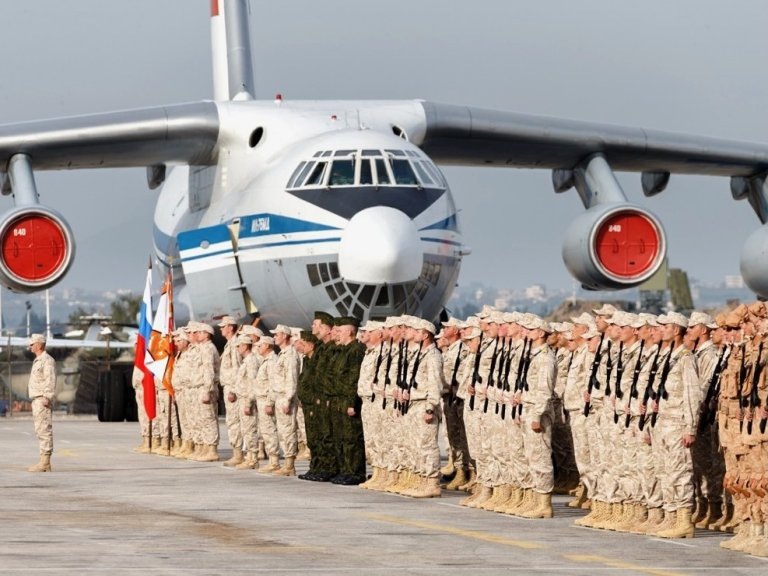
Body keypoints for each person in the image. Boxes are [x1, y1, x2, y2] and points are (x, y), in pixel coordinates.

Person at [27, 333, 56, 472]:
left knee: (44, 429)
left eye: (32, 344)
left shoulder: (47, 360)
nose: (30, 347)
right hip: (36, 399)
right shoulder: (38, 360)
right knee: (40, 429)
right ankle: (43, 460)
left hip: (42, 399)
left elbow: (50, 379)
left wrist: (47, 397)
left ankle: (45, 462)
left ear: (39, 344)